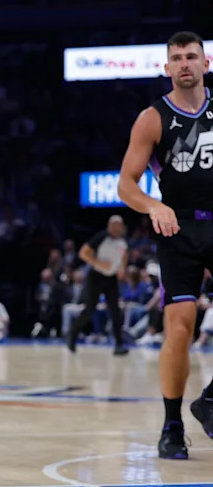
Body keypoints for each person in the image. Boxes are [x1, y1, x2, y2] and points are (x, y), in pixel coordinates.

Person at [117, 30, 213, 459]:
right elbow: (125, 185)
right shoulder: (153, 118)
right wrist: (154, 205)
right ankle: (172, 425)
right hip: (179, 230)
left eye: (192, 56)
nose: (185, 63)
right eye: (177, 58)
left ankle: (209, 399)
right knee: (180, 328)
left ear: (206, 63)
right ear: (167, 67)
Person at [66, 215, 129, 355]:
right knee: (90, 309)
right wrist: (99, 263)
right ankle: (72, 335)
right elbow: (83, 253)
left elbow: (124, 254)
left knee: (115, 310)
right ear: (110, 226)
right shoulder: (101, 237)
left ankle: (119, 345)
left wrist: (122, 269)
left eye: (121, 225)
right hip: (96, 276)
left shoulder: (123, 241)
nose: (118, 228)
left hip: (111, 278)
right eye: (116, 225)